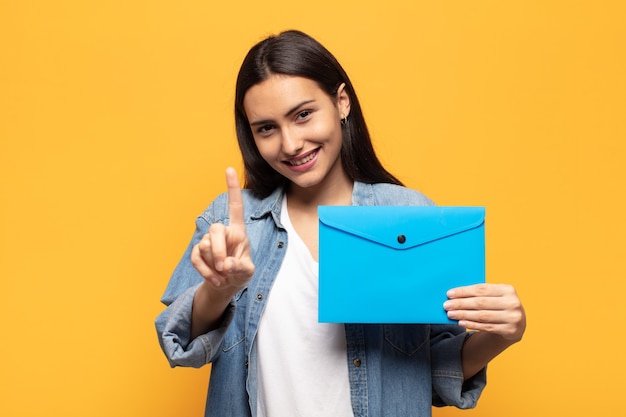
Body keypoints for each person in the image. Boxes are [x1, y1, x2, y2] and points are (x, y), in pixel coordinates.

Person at [155, 30, 526, 417]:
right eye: (267, 128)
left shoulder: (406, 212)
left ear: (342, 102)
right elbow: (178, 343)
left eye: (303, 115)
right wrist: (219, 289)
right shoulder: (231, 222)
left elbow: (436, 370)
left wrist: (501, 335)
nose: (290, 144)